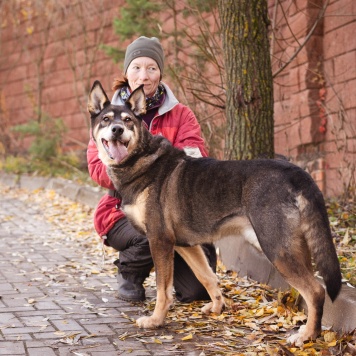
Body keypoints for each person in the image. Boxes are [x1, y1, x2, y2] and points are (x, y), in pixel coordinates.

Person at [87, 36, 217, 303]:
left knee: (197, 292)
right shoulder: (106, 118)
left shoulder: (181, 115)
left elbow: (196, 158)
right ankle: (130, 271)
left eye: (151, 68)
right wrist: (131, 164)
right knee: (152, 228)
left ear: (160, 73)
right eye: (136, 67)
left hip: (179, 209)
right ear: (126, 72)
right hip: (122, 209)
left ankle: (171, 273)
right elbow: (96, 169)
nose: (143, 76)